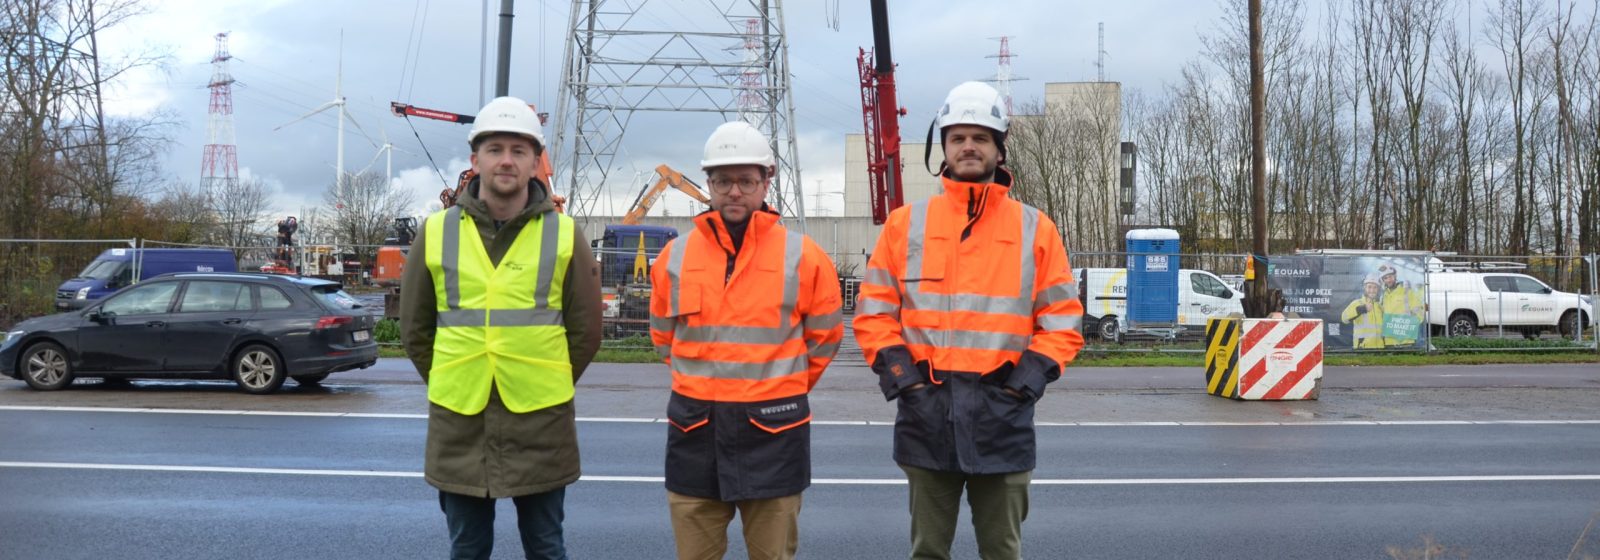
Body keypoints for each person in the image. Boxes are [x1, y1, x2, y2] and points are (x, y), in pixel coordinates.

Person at [853, 81, 1086, 560]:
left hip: (1003, 417)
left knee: (1001, 551)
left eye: (980, 137)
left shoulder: (1034, 228)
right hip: (926, 416)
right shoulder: (905, 224)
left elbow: (1062, 321)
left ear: (1000, 149)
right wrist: (906, 383)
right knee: (927, 552)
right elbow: (874, 315)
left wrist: (1024, 384)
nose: (968, 147)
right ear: (943, 147)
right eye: (957, 137)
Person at [399, 96, 602, 560]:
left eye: (518, 150)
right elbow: (415, 331)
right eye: (495, 149)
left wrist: (545, 378)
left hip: (541, 420)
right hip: (460, 419)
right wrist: (453, 376)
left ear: (535, 162)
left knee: (547, 548)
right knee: (467, 549)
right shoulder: (435, 232)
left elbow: (586, 332)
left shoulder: (566, 234)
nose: (506, 160)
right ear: (475, 160)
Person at [649, 121, 845, 560]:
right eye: (723, 181)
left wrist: (778, 386)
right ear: (709, 184)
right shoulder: (675, 256)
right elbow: (663, 338)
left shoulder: (804, 256)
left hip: (774, 432)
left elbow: (826, 337)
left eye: (745, 181)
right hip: (694, 431)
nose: (734, 191)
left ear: (766, 181)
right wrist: (706, 381)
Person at [1378, 264, 1424, 347]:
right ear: (1383, 280)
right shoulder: (1383, 296)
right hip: (1389, 342)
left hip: (1405, 341)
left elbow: (1419, 313)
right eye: (1385, 278)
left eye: (1390, 276)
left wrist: (1408, 328)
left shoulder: (1406, 291)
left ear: (1395, 276)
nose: (1388, 280)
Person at [1340, 273, 1386, 349]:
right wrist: (1362, 309)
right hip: (1363, 349)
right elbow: (1344, 318)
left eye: (1375, 287)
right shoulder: (1357, 303)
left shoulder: (1379, 306)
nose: (1372, 290)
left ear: (1378, 289)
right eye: (1369, 287)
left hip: (1379, 349)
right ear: (1364, 287)